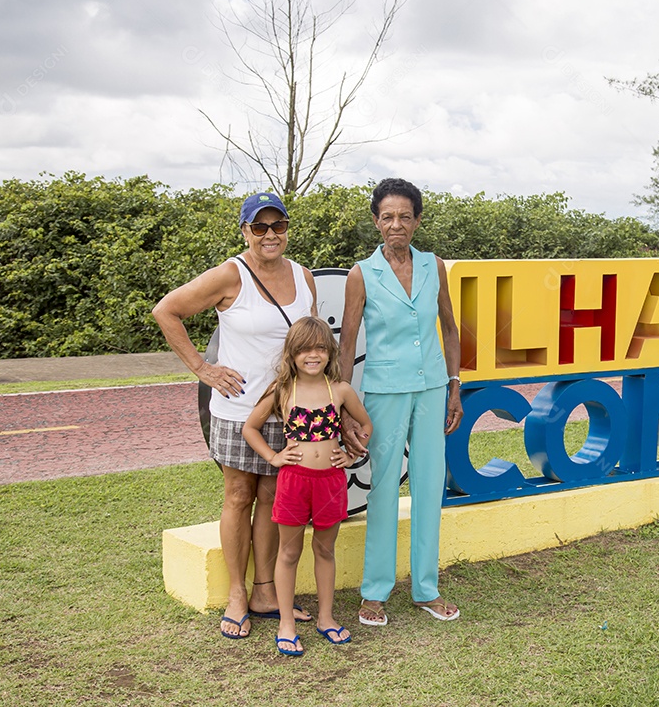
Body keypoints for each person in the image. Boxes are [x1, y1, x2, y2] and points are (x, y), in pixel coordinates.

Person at [152, 192, 317, 639]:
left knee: (272, 499)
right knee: (239, 496)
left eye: (277, 226)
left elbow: (312, 341)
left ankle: (265, 592)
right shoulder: (230, 274)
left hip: (288, 411)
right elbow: (166, 310)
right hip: (237, 409)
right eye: (259, 227)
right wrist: (203, 369)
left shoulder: (303, 277)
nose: (269, 235)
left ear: (286, 229)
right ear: (244, 231)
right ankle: (237, 595)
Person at [338, 177, 464, 626]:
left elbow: (449, 328)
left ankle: (426, 589)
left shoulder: (434, 266)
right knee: (385, 488)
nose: (397, 224)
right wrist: (341, 408)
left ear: (416, 221)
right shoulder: (362, 273)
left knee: (430, 486)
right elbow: (347, 344)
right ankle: (375, 591)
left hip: (432, 388)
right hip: (384, 393)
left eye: (405, 217)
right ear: (376, 221)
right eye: (388, 216)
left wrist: (454, 384)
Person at [242, 316, 372, 655]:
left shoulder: (339, 390)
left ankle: (325, 618)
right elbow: (250, 428)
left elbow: (365, 424)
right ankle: (286, 622)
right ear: (292, 354)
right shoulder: (282, 390)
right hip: (294, 481)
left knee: (325, 550)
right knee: (288, 552)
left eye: (319, 349)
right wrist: (273, 458)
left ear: (329, 352)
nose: (312, 356)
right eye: (303, 350)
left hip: (330, 482)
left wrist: (351, 454)